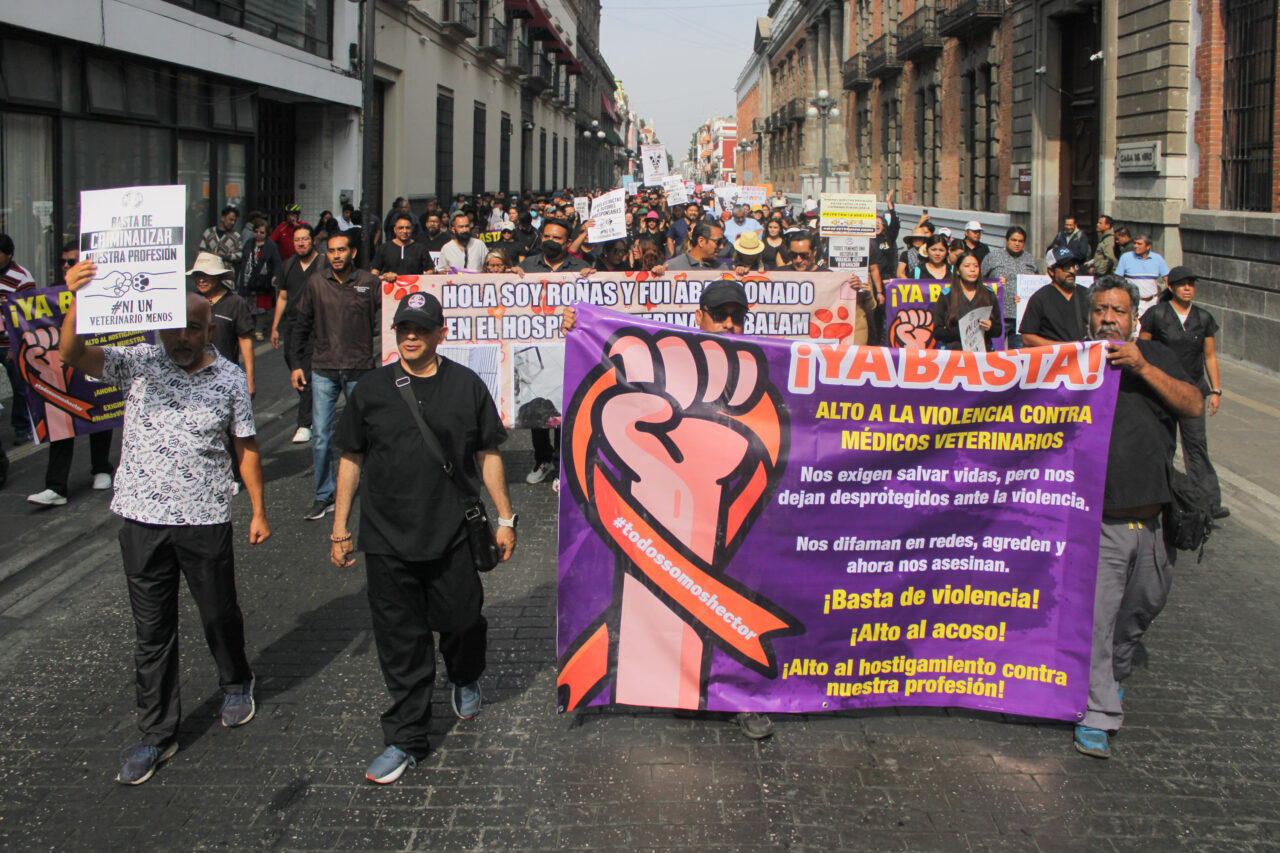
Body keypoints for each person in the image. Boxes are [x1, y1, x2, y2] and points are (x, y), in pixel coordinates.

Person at [59, 261, 269, 785]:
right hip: (141, 520)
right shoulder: (140, 362)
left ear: (209, 330)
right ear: (159, 325)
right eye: (173, 326)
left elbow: (246, 447)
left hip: (204, 517)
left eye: (192, 329)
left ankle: (236, 680)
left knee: (219, 614)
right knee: (152, 632)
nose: (181, 337)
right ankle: (156, 734)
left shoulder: (228, 379)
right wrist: (76, 300)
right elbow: (70, 355)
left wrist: (259, 509)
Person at [329, 291, 515, 784]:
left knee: (462, 620)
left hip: (452, 534)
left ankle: (465, 673)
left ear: (440, 333)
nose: (410, 336)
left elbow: (488, 453)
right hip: (387, 539)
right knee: (401, 642)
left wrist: (506, 517)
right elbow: (350, 456)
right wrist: (339, 527)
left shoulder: (466, 386)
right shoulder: (371, 389)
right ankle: (406, 737)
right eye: (403, 328)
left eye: (420, 328)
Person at [1075, 275, 1203, 760]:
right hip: (1101, 521)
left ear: (1134, 318)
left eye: (1119, 311)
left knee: (1140, 610)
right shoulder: (1072, 362)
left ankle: (1114, 677)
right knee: (1099, 619)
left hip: (1153, 521)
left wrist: (1143, 367)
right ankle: (1097, 712)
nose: (1109, 318)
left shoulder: (1160, 357)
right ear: (1090, 317)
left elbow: (1192, 406)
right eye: (1101, 310)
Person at [290, 230, 380, 520]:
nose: (336, 255)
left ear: (353, 253)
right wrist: (296, 364)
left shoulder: (369, 282)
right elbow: (301, 325)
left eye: (341, 250)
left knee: (367, 433)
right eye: (331, 251)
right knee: (321, 437)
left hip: (361, 368)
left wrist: (393, 283)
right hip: (324, 368)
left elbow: (392, 313)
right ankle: (324, 495)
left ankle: (371, 488)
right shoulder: (316, 283)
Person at [25, 241, 114, 507]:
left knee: (100, 410)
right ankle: (56, 486)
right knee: (60, 419)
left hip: (92, 355)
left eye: (71, 260)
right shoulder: (53, 290)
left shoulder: (101, 285)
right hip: (61, 362)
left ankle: (101, 468)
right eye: (63, 261)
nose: (66, 265)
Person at [1139, 266, 1229, 520]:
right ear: (1171, 287)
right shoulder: (1156, 315)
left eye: (1191, 284)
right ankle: (1159, 496)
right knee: (1162, 444)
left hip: (1193, 391)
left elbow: (1209, 357)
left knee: (1196, 446)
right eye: (1182, 284)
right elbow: (1142, 349)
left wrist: (1216, 390)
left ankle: (1209, 502)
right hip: (1162, 390)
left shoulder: (1203, 318)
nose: (1188, 288)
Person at [271, 225, 326, 444]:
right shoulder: (288, 266)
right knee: (294, 365)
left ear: (313, 241)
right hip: (293, 325)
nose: (301, 243)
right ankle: (312, 406)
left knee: (309, 370)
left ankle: (304, 423)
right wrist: (275, 326)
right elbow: (283, 297)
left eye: (304, 239)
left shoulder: (323, 263)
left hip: (317, 324)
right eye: (297, 240)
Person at [188, 253, 255, 396]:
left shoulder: (235, 303)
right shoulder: (190, 302)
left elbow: (245, 340)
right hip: (194, 379)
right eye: (198, 275)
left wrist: (249, 379)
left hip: (225, 379)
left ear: (219, 277)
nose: (201, 280)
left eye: (207, 275)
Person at [0, 232, 36, 446]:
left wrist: (17, 344)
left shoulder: (22, 277)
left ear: (9, 254)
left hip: (10, 343)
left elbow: (27, 313)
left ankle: (22, 428)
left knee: (19, 387)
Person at [981, 226, 1040, 346]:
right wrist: (995, 282)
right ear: (1006, 240)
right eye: (1014, 240)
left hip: (1021, 317)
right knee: (995, 352)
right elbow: (980, 280)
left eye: (1020, 241)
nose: (1017, 244)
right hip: (998, 315)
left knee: (1018, 354)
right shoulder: (993, 257)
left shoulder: (1030, 259)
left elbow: (1037, 283)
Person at [1019, 247, 1090, 347]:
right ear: (1051, 271)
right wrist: (1063, 347)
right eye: (1066, 267)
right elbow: (1027, 338)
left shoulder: (1087, 294)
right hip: (1055, 360)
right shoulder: (1039, 299)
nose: (1072, 271)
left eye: (1074, 266)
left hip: (1084, 359)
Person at [931, 252, 998, 351]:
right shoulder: (946, 295)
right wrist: (964, 331)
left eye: (976, 266)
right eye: (967, 266)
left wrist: (989, 328)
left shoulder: (989, 293)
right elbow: (937, 332)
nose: (972, 269)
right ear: (958, 270)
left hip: (983, 353)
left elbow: (998, 330)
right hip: (956, 354)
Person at [238, 216, 282, 341]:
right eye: (256, 231)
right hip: (248, 279)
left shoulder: (271, 246)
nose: (258, 234)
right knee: (248, 305)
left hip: (263, 281)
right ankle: (250, 327)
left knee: (261, 307)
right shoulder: (248, 243)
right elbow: (244, 261)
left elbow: (277, 263)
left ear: (267, 233)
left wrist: (275, 276)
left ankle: (258, 330)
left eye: (261, 232)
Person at [371, 213, 431, 281]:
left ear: (412, 229)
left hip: (415, 289)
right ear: (395, 229)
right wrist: (384, 277)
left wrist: (419, 280)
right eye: (401, 228)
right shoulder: (384, 248)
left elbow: (430, 270)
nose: (404, 231)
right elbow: (374, 272)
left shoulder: (421, 249)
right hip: (389, 289)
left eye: (408, 228)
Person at [198, 206, 243, 270]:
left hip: (226, 273)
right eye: (231, 219)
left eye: (235, 221)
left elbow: (239, 255)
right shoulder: (209, 232)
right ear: (223, 218)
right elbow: (201, 251)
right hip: (209, 271)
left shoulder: (236, 236)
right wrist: (212, 255)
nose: (233, 223)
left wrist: (224, 256)